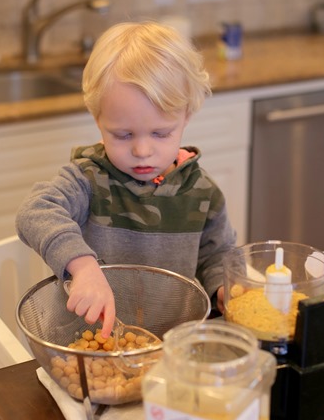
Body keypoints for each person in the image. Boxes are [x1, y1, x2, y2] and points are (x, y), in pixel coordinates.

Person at [15, 21, 236, 339]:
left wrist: (224, 287)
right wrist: (83, 266)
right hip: (88, 345)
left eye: (161, 133)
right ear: (98, 119)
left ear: (186, 116)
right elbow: (35, 210)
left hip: (168, 346)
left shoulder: (203, 193)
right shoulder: (88, 179)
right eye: (122, 134)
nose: (142, 150)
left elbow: (217, 256)